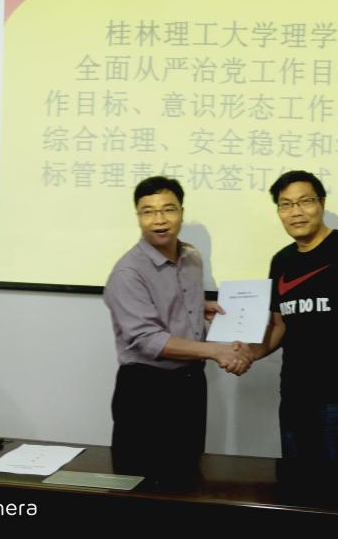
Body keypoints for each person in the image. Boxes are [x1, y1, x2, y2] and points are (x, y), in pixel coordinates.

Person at [246, 170, 338, 538]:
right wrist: (247, 353)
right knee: (299, 492)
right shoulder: (281, 261)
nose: (296, 212)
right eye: (286, 205)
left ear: (321, 204)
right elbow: (279, 325)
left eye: (305, 201)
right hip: (294, 397)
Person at [103, 176, 251, 473]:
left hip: (191, 383)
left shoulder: (191, 258)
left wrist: (197, 308)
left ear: (181, 212)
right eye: (148, 211)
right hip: (146, 389)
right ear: (138, 217)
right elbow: (148, 339)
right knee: (140, 482)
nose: (159, 220)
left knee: (187, 474)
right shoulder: (128, 272)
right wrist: (217, 351)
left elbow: (176, 300)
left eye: (168, 209)